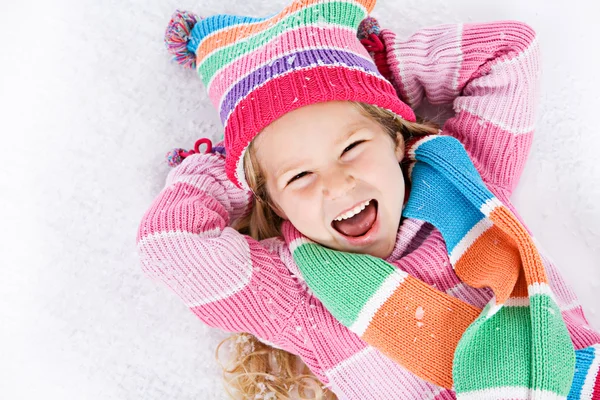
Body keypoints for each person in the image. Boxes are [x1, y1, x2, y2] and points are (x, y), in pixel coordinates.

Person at [137, 0, 600, 398]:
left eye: (352, 148)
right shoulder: (295, 291)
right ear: (274, 203)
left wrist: (382, 72)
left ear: (395, 139)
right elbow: (170, 243)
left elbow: (509, 54)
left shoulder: (465, 180)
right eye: (298, 175)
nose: (337, 185)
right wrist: (242, 164)